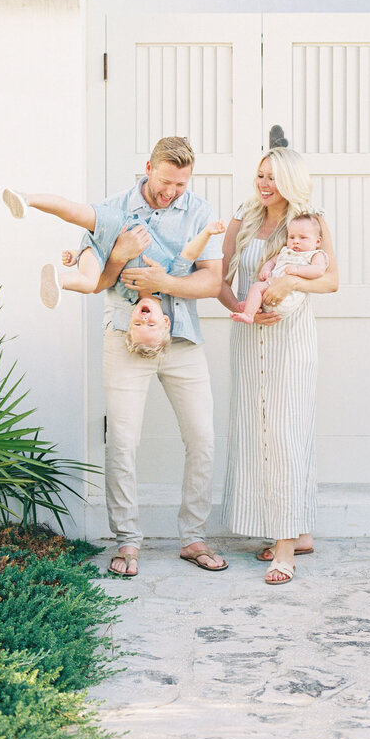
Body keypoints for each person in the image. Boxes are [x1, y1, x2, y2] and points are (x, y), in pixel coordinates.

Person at [89, 136, 227, 578]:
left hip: (183, 336)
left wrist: (163, 280)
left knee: (202, 438)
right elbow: (95, 281)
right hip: (126, 337)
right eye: (165, 181)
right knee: (123, 442)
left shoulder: (200, 212)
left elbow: (210, 283)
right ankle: (127, 541)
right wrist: (119, 256)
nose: (170, 192)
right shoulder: (112, 209)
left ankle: (193, 537)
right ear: (148, 166)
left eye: (180, 186)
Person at [219, 148, 338, 584]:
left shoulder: (311, 221)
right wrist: (241, 306)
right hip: (250, 341)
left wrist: (287, 281)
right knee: (257, 435)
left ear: (291, 180)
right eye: (260, 175)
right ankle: (298, 532)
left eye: (273, 177)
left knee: (287, 434)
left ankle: (285, 548)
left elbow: (331, 279)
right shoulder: (244, 218)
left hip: (292, 343)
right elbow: (221, 279)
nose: (264, 184)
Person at [2, 185, 224, 357]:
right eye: (150, 324)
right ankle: (26, 199)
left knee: (88, 284)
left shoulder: (127, 292)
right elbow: (189, 253)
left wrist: (78, 256)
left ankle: (58, 281)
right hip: (120, 226)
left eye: (137, 324)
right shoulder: (169, 277)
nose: (144, 318)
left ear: (130, 321)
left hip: (99, 250)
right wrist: (207, 232)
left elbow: (105, 276)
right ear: (165, 320)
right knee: (73, 212)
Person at [230, 213, 329, 324]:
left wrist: (297, 270)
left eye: (303, 237)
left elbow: (319, 270)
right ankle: (250, 310)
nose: (296, 241)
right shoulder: (286, 251)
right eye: (291, 237)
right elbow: (271, 261)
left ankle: (252, 306)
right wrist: (266, 270)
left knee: (263, 291)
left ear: (317, 241)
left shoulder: (314, 255)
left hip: (290, 295)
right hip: (271, 286)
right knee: (257, 286)